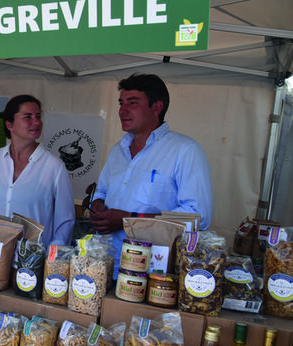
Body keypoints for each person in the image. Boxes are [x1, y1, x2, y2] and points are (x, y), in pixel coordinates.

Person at [89, 73, 213, 274]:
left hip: (152, 271)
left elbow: (198, 217)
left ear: (156, 108)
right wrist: (97, 207)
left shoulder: (185, 150)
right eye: (121, 103)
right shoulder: (117, 151)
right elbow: (101, 192)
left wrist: (129, 220)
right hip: (105, 263)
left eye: (133, 102)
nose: (123, 110)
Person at [0, 95, 75, 246]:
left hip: (31, 262)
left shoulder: (53, 167)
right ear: (9, 124)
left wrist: (52, 257)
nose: (36, 122)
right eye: (28, 117)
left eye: (38, 116)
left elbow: (65, 222)